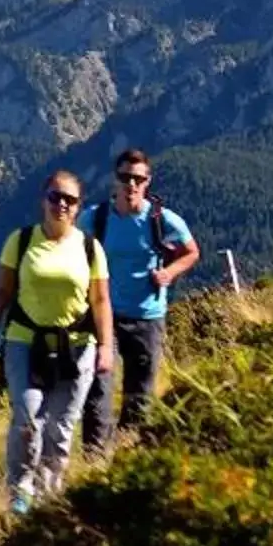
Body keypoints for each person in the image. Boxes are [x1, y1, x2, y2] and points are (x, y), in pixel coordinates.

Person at [0, 173, 115, 512]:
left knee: (63, 425)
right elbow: (2, 292)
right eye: (56, 197)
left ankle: (50, 493)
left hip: (77, 345)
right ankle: (21, 491)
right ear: (44, 199)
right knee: (27, 417)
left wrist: (105, 346)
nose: (62, 205)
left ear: (78, 207)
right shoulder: (21, 241)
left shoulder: (89, 248)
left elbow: (100, 301)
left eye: (70, 200)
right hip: (25, 341)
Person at [81, 148, 199, 453]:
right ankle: (95, 458)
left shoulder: (162, 219)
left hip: (148, 317)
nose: (131, 184)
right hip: (104, 317)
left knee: (140, 395)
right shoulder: (96, 218)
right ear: (115, 179)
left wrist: (169, 273)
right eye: (125, 177)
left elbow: (192, 252)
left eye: (137, 179)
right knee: (98, 390)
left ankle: (128, 454)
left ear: (147, 182)